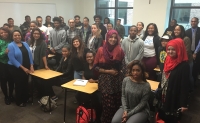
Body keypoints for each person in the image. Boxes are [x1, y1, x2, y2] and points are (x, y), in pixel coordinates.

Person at [93, 30, 125, 123]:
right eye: (111, 37)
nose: (113, 39)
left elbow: (124, 66)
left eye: (115, 37)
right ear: (107, 38)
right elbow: (95, 67)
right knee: (108, 107)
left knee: (117, 105)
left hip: (117, 82)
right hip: (105, 83)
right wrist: (108, 71)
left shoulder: (120, 50)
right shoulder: (101, 50)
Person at [157, 38, 189, 123]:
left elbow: (184, 86)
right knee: (162, 115)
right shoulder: (167, 59)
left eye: (173, 49)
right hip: (164, 93)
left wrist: (183, 104)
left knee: (171, 118)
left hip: (174, 96)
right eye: (169, 49)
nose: (170, 52)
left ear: (179, 50)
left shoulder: (184, 65)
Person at [7, 30, 34, 107]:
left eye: (18, 35)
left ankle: (25, 98)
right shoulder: (10, 45)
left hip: (26, 66)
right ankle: (19, 101)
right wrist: (23, 68)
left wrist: (31, 65)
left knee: (25, 83)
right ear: (12, 37)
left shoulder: (25, 43)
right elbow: (12, 59)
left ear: (21, 35)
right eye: (15, 35)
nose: (17, 37)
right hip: (16, 67)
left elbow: (30, 55)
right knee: (19, 84)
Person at [76, 51, 102, 123]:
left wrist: (95, 81)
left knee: (96, 99)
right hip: (87, 87)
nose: (89, 58)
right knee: (78, 95)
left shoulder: (97, 66)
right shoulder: (85, 65)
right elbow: (84, 75)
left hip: (96, 88)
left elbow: (102, 79)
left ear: (94, 57)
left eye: (91, 57)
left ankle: (97, 117)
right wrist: (84, 80)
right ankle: (85, 113)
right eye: (87, 57)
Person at [172, 25, 193, 91]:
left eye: (178, 30)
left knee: (188, 76)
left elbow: (186, 51)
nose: (176, 31)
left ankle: (191, 90)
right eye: (175, 29)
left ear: (182, 31)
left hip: (186, 62)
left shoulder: (186, 39)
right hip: (176, 61)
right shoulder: (173, 38)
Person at [0, 27, 14, 105]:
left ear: (8, 32)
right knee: (3, 81)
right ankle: (6, 96)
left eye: (4, 32)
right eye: (1, 33)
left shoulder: (12, 40)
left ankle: (11, 95)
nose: (3, 34)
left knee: (11, 80)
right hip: (2, 64)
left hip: (11, 63)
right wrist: (4, 53)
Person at [186, 17, 200, 82]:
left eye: (195, 21)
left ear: (198, 22)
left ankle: (195, 82)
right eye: (192, 21)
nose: (193, 22)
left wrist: (195, 52)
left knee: (196, 67)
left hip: (198, 52)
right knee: (189, 68)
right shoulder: (187, 31)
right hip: (189, 52)